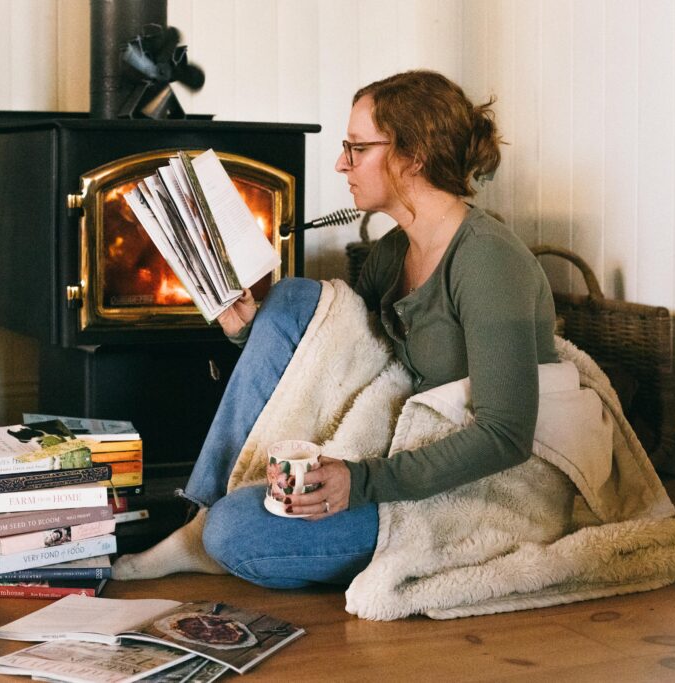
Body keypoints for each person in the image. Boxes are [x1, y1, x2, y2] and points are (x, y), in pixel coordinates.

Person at [114, 69, 558, 589]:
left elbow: (506, 437)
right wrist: (248, 331)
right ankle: (200, 520)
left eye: (357, 148)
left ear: (413, 156)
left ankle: (212, 531)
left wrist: (362, 481)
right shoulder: (392, 253)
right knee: (295, 299)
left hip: (475, 484)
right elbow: (336, 355)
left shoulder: (486, 260)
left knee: (238, 529)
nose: (341, 163)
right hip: (397, 449)